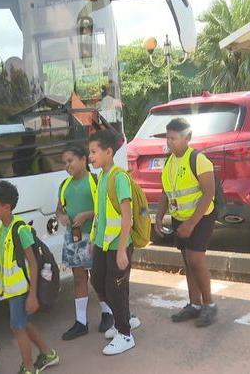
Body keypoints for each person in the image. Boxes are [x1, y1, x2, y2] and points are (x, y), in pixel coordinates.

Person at [0, 180, 59, 374]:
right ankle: (48, 353)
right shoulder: (1, 229)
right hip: (13, 289)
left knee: (17, 327)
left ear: (6, 207)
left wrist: (33, 295)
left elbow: (33, 264)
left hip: (22, 290)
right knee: (23, 324)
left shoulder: (20, 229)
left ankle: (28, 368)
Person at [155, 118, 218, 327]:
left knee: (196, 260)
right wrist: (158, 216)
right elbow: (166, 191)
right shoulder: (169, 161)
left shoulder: (198, 160)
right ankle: (195, 305)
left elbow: (209, 193)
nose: (169, 142)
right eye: (168, 137)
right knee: (187, 261)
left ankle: (209, 304)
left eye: (174, 138)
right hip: (179, 217)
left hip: (201, 217)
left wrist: (192, 223)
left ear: (187, 138)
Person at [88, 130, 139, 355]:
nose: (90, 156)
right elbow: (100, 215)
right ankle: (124, 318)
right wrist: (92, 240)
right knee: (98, 281)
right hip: (102, 243)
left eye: (93, 152)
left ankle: (125, 334)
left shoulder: (119, 178)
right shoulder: (101, 177)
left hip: (118, 244)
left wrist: (121, 251)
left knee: (114, 287)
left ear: (108, 152)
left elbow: (127, 217)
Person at [55, 146, 114, 340]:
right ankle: (81, 322)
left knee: (98, 277)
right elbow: (59, 209)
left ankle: (108, 314)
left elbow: (105, 209)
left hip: (93, 237)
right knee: (79, 278)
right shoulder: (65, 184)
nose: (67, 166)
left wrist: (87, 215)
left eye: (70, 160)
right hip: (74, 238)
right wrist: (62, 216)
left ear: (83, 159)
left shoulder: (95, 181)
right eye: (65, 163)